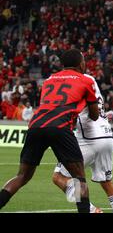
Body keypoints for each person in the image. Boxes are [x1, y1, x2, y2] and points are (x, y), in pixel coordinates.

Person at [0, 49, 99, 213]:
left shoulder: (49, 80)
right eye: (83, 61)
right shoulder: (85, 81)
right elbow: (95, 115)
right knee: (79, 179)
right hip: (60, 127)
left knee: (22, 176)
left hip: (36, 125)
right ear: (80, 64)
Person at [52, 74, 113, 213]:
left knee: (59, 177)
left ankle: (91, 210)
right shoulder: (91, 81)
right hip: (106, 135)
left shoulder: (74, 81)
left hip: (87, 138)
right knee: (106, 181)